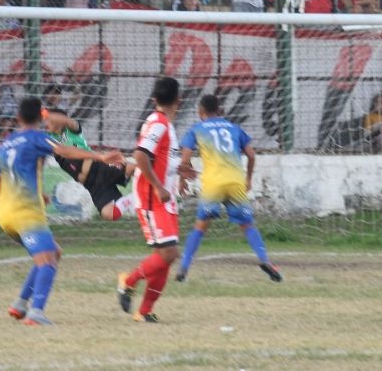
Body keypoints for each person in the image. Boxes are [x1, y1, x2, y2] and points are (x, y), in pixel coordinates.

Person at [0, 97, 123, 326]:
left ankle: (20, 304)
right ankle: (36, 313)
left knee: (54, 252)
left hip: (5, 216)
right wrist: (100, 156)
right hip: (26, 214)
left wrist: (38, 192)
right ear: (40, 118)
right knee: (47, 260)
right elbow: (65, 150)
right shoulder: (38, 137)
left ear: (18, 118)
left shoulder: (5, 144)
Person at [176, 94, 282, 283]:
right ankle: (265, 260)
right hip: (235, 181)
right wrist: (248, 179)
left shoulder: (197, 129)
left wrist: (182, 180)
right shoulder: (234, 128)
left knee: (200, 226)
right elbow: (251, 155)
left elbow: (184, 159)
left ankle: (183, 268)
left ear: (200, 111)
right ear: (219, 110)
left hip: (213, 184)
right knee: (247, 225)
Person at [116, 77, 182, 323]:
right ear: (178, 101)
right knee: (169, 253)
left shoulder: (163, 124)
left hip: (164, 198)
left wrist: (179, 173)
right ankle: (129, 281)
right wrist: (158, 186)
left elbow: (158, 160)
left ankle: (144, 312)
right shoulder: (159, 123)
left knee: (165, 257)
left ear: (154, 99)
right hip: (152, 198)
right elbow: (141, 155)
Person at [45, 109, 136, 221]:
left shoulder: (72, 129)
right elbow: (60, 151)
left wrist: (46, 113)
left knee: (132, 169)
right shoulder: (50, 139)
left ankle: (154, 177)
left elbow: (67, 121)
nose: (46, 123)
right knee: (109, 214)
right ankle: (136, 198)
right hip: (91, 183)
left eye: (49, 120)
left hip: (99, 167)